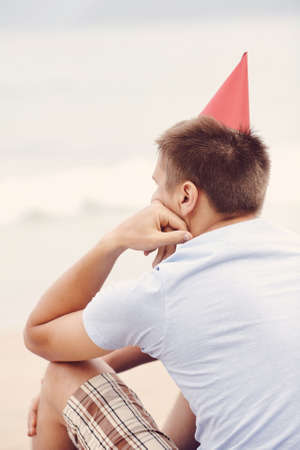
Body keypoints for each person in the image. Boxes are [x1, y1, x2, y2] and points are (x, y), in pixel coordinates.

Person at [24, 55, 300, 449]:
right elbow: (186, 331)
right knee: (207, 373)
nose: (153, 198)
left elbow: (39, 333)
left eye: (158, 185)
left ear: (186, 195)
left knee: (59, 377)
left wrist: (114, 241)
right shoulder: (290, 253)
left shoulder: (169, 288)